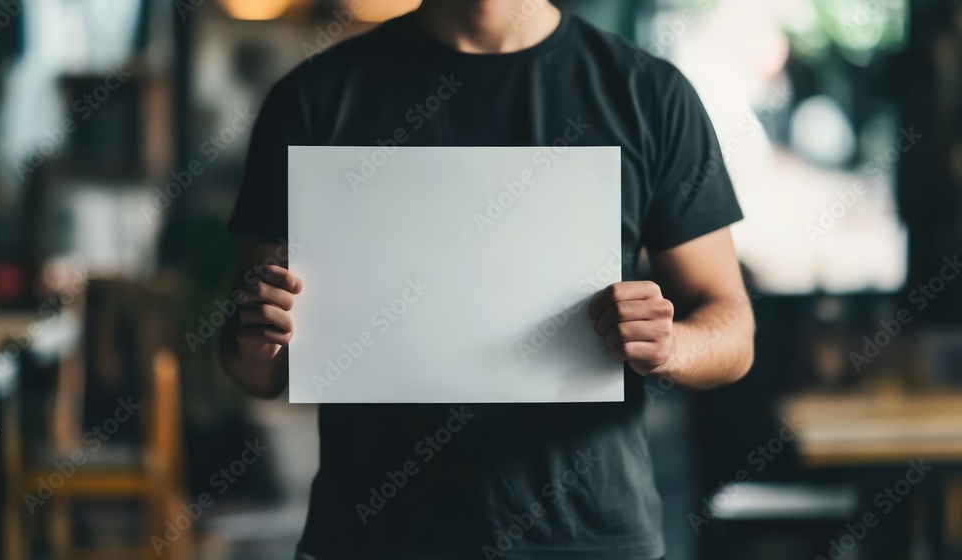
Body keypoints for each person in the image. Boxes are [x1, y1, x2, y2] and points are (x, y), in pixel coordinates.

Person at [220, 1, 755, 558]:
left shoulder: (650, 94)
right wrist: (259, 336)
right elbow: (256, 367)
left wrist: (671, 346)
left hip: (589, 538)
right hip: (375, 537)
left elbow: (733, 330)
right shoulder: (315, 96)